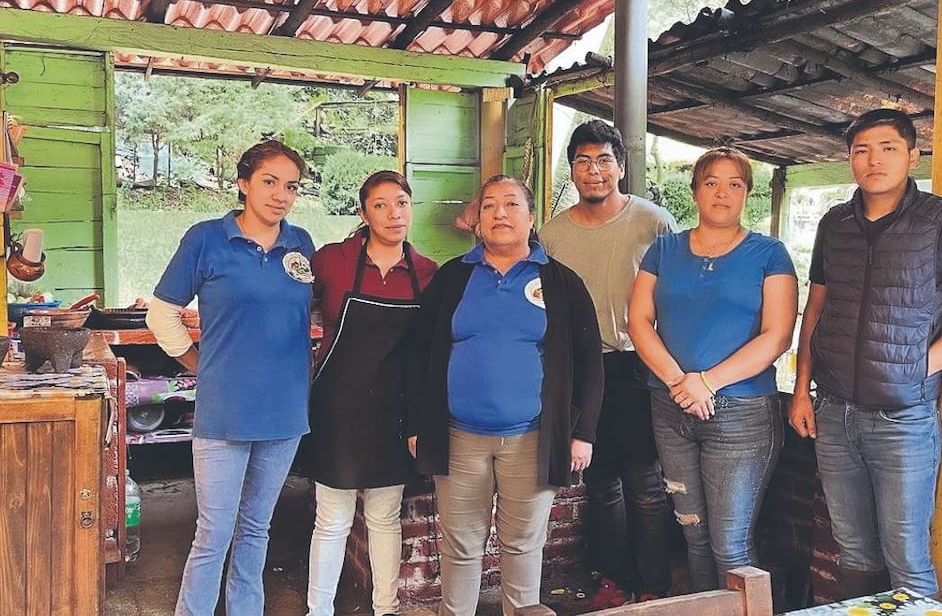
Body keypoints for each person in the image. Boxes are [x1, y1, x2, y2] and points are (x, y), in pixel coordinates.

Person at [788, 109, 942, 598]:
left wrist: (917, 365)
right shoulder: (834, 224)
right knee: (853, 550)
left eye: (887, 148)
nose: (873, 160)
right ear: (850, 160)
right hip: (834, 413)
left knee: (906, 553)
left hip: (904, 419)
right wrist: (801, 390)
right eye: (861, 150)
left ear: (912, 156)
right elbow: (816, 307)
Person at [406, 174, 604, 616]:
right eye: (489, 205)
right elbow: (420, 353)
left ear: (532, 218)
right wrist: (418, 423)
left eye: (511, 204)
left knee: (523, 544)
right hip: (458, 437)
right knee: (459, 544)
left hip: (532, 438)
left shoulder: (562, 283)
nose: (499, 213)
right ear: (476, 221)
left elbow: (591, 361)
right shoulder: (453, 278)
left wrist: (583, 432)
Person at [146, 140, 315, 615]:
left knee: (257, 528)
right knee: (213, 531)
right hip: (225, 410)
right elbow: (162, 315)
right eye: (269, 181)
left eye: (291, 186)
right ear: (243, 184)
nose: (280, 194)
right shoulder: (206, 239)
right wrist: (201, 365)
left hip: (285, 410)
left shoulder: (300, 244)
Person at [628, 147, 798, 591]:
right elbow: (638, 321)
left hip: (740, 415)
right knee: (694, 535)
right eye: (711, 183)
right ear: (695, 191)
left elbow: (777, 336)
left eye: (735, 184)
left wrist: (706, 382)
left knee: (731, 545)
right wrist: (679, 384)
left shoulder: (770, 253)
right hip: (670, 408)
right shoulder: (663, 249)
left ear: (747, 194)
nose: (722, 193)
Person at [538, 120, 675, 607]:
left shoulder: (653, 221)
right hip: (581, 369)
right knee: (600, 485)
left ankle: (654, 585)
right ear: (571, 170)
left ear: (621, 165)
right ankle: (611, 582)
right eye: (582, 161)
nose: (593, 171)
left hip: (638, 366)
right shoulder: (551, 235)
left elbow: (674, 294)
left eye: (603, 160)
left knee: (645, 483)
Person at [305, 171, 438, 616]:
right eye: (380, 205)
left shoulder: (427, 272)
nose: (393, 213)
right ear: (363, 213)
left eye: (401, 202)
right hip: (337, 409)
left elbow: (426, 353)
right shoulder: (330, 261)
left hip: (393, 413)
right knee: (333, 520)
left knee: (385, 518)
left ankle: (387, 609)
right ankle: (318, 611)